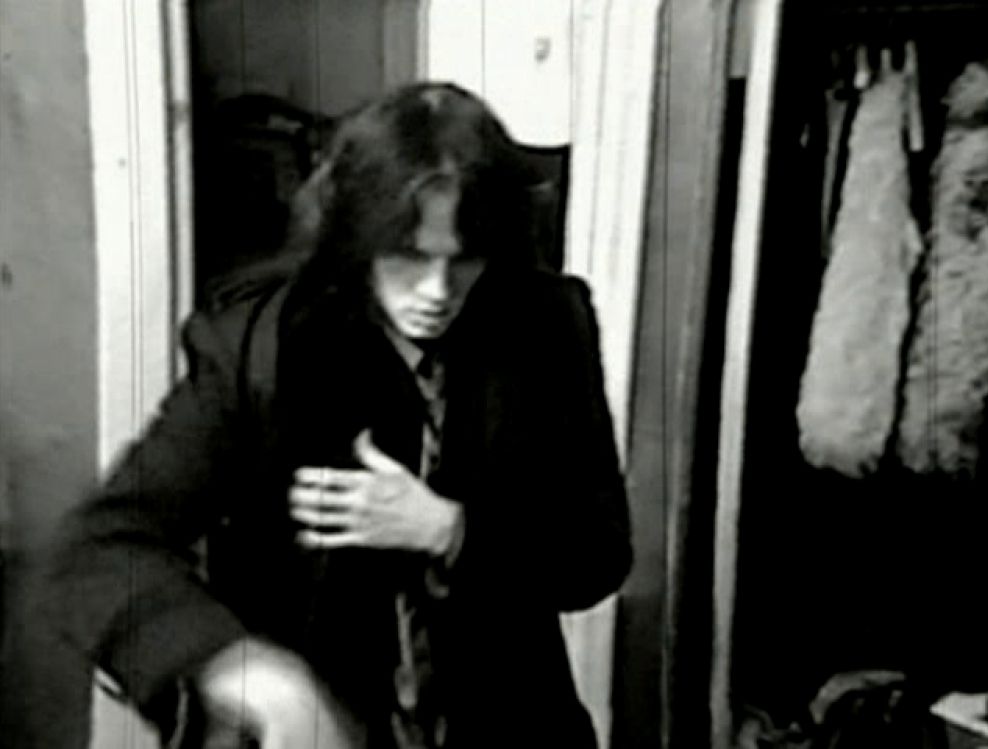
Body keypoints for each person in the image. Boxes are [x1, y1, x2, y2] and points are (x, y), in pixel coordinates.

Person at [33, 82, 632, 748]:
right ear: (358, 238)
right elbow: (100, 548)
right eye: (408, 256)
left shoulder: (548, 325)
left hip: (513, 726)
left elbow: (598, 554)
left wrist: (453, 530)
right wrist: (243, 670)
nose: (436, 292)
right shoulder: (257, 346)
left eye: (463, 258)